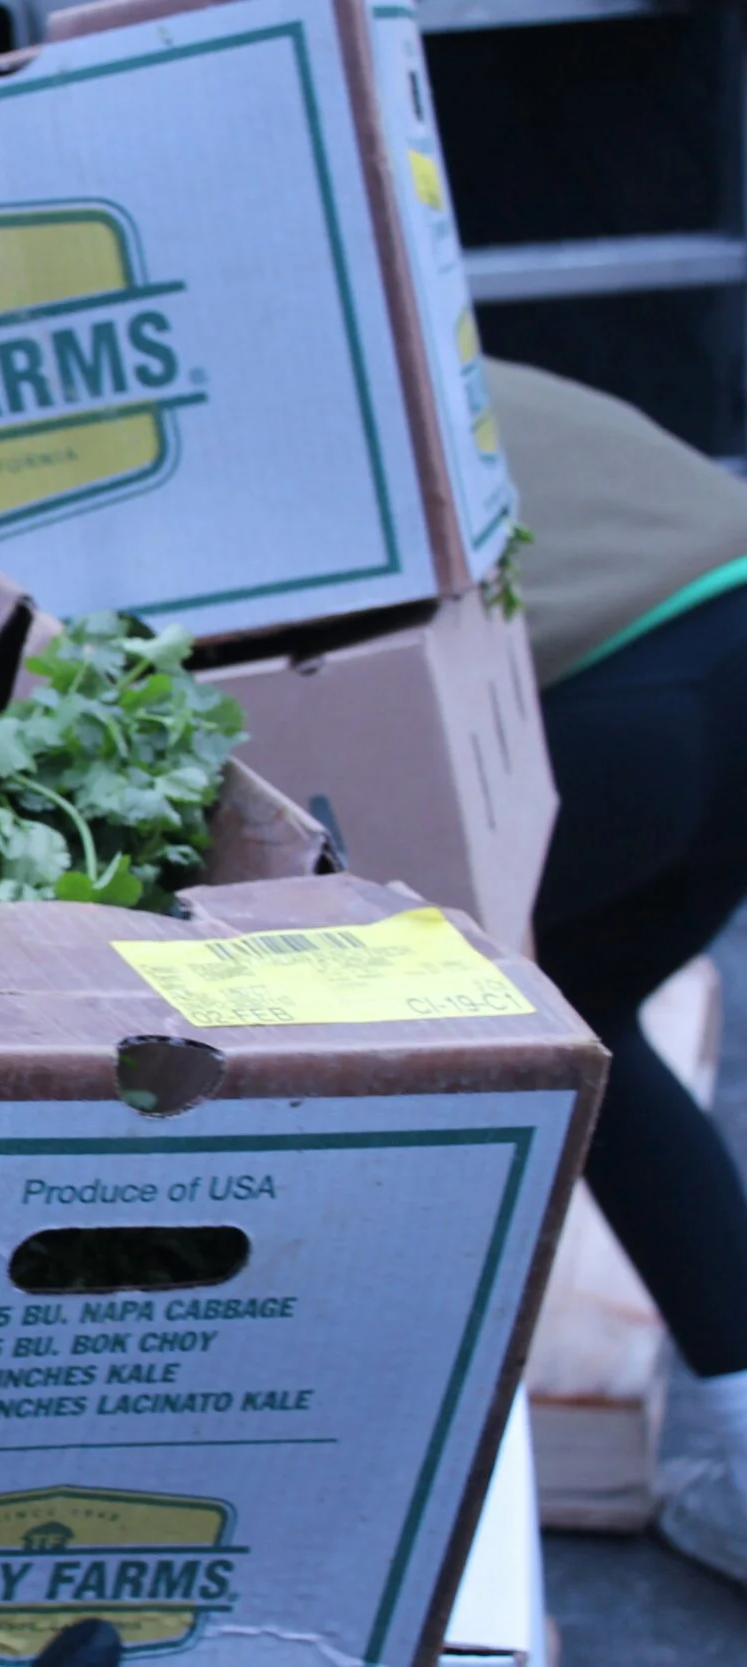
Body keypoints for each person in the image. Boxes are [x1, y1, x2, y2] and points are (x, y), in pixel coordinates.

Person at [489, 357, 747, 1586]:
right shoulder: (393, 325)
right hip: (732, 639)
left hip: (601, 706)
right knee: (595, 1023)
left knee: (386, 1057)